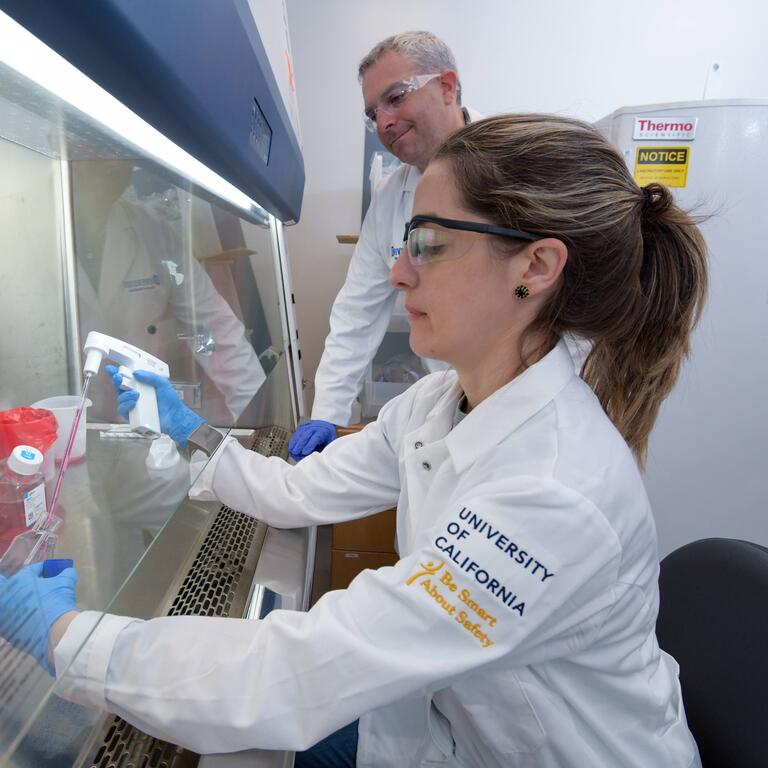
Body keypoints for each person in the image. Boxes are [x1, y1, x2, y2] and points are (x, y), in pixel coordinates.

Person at [1, 113, 708, 768]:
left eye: (428, 243)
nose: (399, 271)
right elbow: (297, 490)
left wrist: (69, 639)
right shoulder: (437, 402)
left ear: (536, 268)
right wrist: (195, 433)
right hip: (452, 730)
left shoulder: (555, 493)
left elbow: (296, 674)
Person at [289, 30, 482, 461]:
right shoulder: (391, 196)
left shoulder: (515, 165)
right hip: (452, 403)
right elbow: (356, 313)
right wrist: (328, 414)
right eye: (373, 113)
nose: (383, 123)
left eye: (396, 98)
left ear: (447, 87)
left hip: (526, 403)